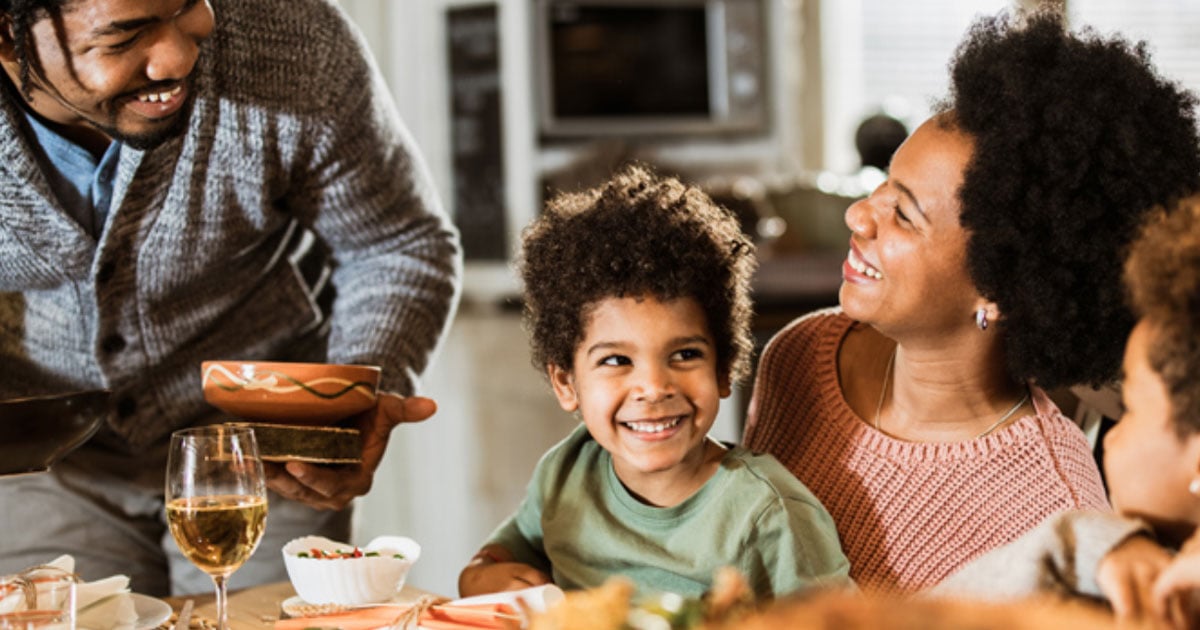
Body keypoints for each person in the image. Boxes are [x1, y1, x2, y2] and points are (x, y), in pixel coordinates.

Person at [0, 0, 461, 596]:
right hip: (46, 462)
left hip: (267, 452)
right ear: (8, 38)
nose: (179, 55)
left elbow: (398, 243)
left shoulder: (297, 41)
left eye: (191, 6)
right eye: (124, 36)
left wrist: (357, 391)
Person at [741, 8, 1200, 593]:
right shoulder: (799, 356)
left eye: (903, 214)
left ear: (1001, 287)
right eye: (882, 183)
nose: (859, 215)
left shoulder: (1055, 507)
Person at [457, 165, 851, 600]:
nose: (653, 386)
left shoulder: (769, 515)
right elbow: (505, 552)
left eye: (684, 355)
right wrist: (478, 573)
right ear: (566, 382)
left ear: (723, 370)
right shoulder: (566, 471)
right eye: (616, 360)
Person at [932, 195, 1200, 628]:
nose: (1112, 437)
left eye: (1131, 409)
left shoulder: (1135, 601)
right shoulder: (1122, 565)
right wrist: (1091, 545)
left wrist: (1071, 549)